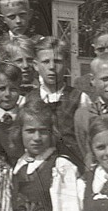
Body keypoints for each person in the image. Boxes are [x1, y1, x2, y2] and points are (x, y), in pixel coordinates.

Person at [10, 100, 81, 211]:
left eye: (43, 131)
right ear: (20, 132)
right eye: (30, 131)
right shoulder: (18, 166)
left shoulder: (60, 166)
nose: (37, 137)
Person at [25, 36, 81, 166]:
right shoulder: (28, 100)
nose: (51, 67)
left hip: (71, 167)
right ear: (36, 65)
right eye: (45, 62)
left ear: (66, 63)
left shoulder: (79, 98)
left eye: (57, 61)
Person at [0, 0, 44, 80]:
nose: (18, 21)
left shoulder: (40, 43)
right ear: (3, 19)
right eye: (12, 17)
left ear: (30, 14)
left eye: (22, 15)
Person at [0, 62, 25, 163]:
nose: (7, 94)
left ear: (20, 90)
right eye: (1, 89)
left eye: (13, 89)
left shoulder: (25, 119)